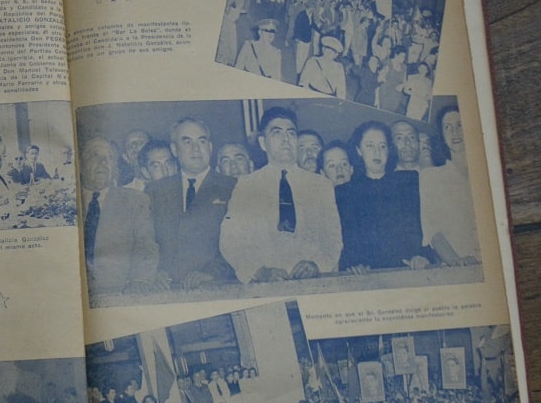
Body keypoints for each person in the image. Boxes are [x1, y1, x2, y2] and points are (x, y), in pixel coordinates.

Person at [220, 107, 341, 283]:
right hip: (266, 287)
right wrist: (258, 271)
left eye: (291, 133)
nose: (286, 140)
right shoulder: (247, 185)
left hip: (313, 284)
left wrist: (318, 265)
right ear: (263, 143)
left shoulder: (321, 185)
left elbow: (333, 239)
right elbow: (230, 241)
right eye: (277, 133)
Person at [145, 117, 237, 289]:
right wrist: (153, 271)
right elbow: (145, 241)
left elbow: (242, 244)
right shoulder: (155, 191)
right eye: (187, 141)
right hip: (166, 292)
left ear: (210, 147)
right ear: (174, 149)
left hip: (218, 289)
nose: (196, 148)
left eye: (202, 141)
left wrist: (212, 273)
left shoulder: (233, 188)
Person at [334, 120, 430, 272]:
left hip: (409, 270)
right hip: (367, 277)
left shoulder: (409, 181)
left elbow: (426, 226)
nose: (377, 152)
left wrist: (422, 256)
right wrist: (354, 266)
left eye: (382, 146)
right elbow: (346, 241)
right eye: (370, 146)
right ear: (359, 150)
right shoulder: (345, 193)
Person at [80, 136, 160, 296]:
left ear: (115, 167)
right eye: (94, 155)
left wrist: (140, 280)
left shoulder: (135, 200)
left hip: (119, 292)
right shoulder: (63, 202)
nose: (103, 162)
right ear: (80, 165)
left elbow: (145, 244)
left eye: (109, 157)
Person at [419, 105, 480, 263]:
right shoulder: (432, 177)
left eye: (459, 125)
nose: (455, 132)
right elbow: (432, 231)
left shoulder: (485, 172)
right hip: (459, 263)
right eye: (448, 127)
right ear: (443, 137)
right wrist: (456, 261)